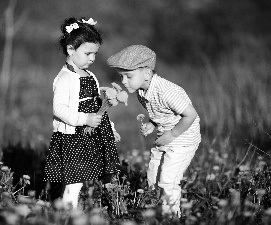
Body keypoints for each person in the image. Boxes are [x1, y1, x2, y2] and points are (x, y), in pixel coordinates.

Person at [107, 45, 201, 217]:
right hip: (165, 136)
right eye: (121, 77)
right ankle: (157, 211)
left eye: (129, 76)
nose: (124, 82)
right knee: (153, 177)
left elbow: (191, 115)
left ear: (147, 73)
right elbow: (161, 114)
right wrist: (152, 124)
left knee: (168, 180)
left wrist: (172, 134)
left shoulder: (168, 92)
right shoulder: (141, 92)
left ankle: (171, 217)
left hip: (183, 138)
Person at [44, 17, 120, 209]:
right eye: (87, 53)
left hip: (91, 135)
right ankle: (67, 214)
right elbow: (59, 109)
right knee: (74, 181)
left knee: (86, 177)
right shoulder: (65, 78)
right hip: (73, 137)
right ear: (71, 49)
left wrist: (109, 128)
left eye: (95, 54)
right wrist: (84, 118)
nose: (92, 58)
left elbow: (96, 106)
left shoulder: (90, 75)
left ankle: (77, 208)